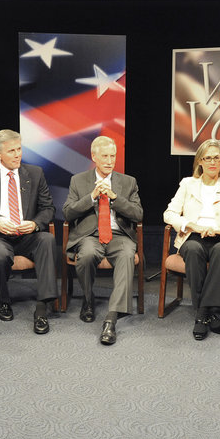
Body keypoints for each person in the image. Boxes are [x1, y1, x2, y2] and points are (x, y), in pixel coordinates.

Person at [0, 129, 58, 334]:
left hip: (28, 235)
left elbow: (49, 208)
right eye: (12, 151)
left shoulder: (35, 173)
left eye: (19, 149)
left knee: (47, 239)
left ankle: (42, 307)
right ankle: (3, 299)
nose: (17, 155)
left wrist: (34, 224)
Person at [163, 139, 220, 340]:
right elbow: (169, 214)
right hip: (193, 236)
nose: (212, 162)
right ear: (200, 162)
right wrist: (192, 225)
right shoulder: (188, 184)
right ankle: (209, 313)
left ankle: (201, 315)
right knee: (194, 250)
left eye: (217, 158)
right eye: (208, 158)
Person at [63, 136, 143, 345]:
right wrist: (91, 197)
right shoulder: (78, 180)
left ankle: (111, 318)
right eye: (105, 156)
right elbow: (68, 213)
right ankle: (88, 300)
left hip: (119, 236)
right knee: (87, 254)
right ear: (94, 157)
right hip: (90, 235)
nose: (109, 161)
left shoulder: (128, 182)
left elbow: (138, 214)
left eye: (113, 156)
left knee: (126, 255)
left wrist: (115, 198)